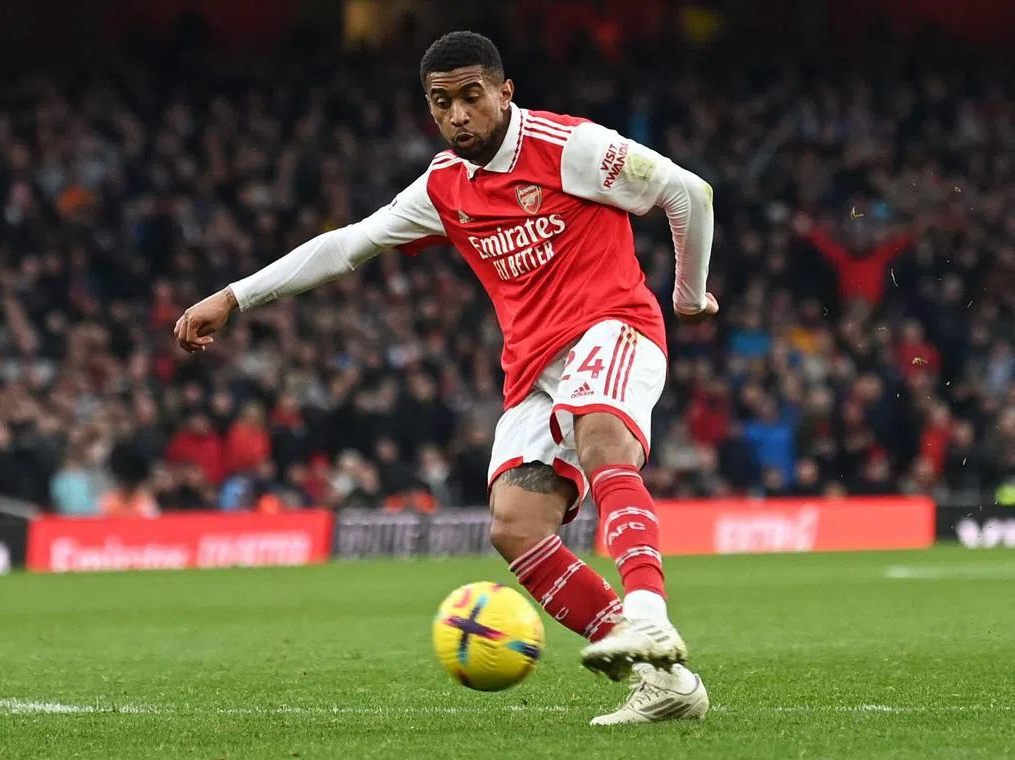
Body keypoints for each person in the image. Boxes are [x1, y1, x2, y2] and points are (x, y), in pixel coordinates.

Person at [174, 31, 717, 726]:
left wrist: (688, 296)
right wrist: (234, 296)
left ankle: (646, 612)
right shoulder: (443, 187)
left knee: (601, 434)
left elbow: (687, 193)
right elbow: (348, 246)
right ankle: (663, 680)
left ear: (503, 92)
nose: (458, 114)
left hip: (614, 328)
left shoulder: (570, 147)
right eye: (442, 103)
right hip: (534, 372)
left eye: (471, 97)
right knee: (516, 528)